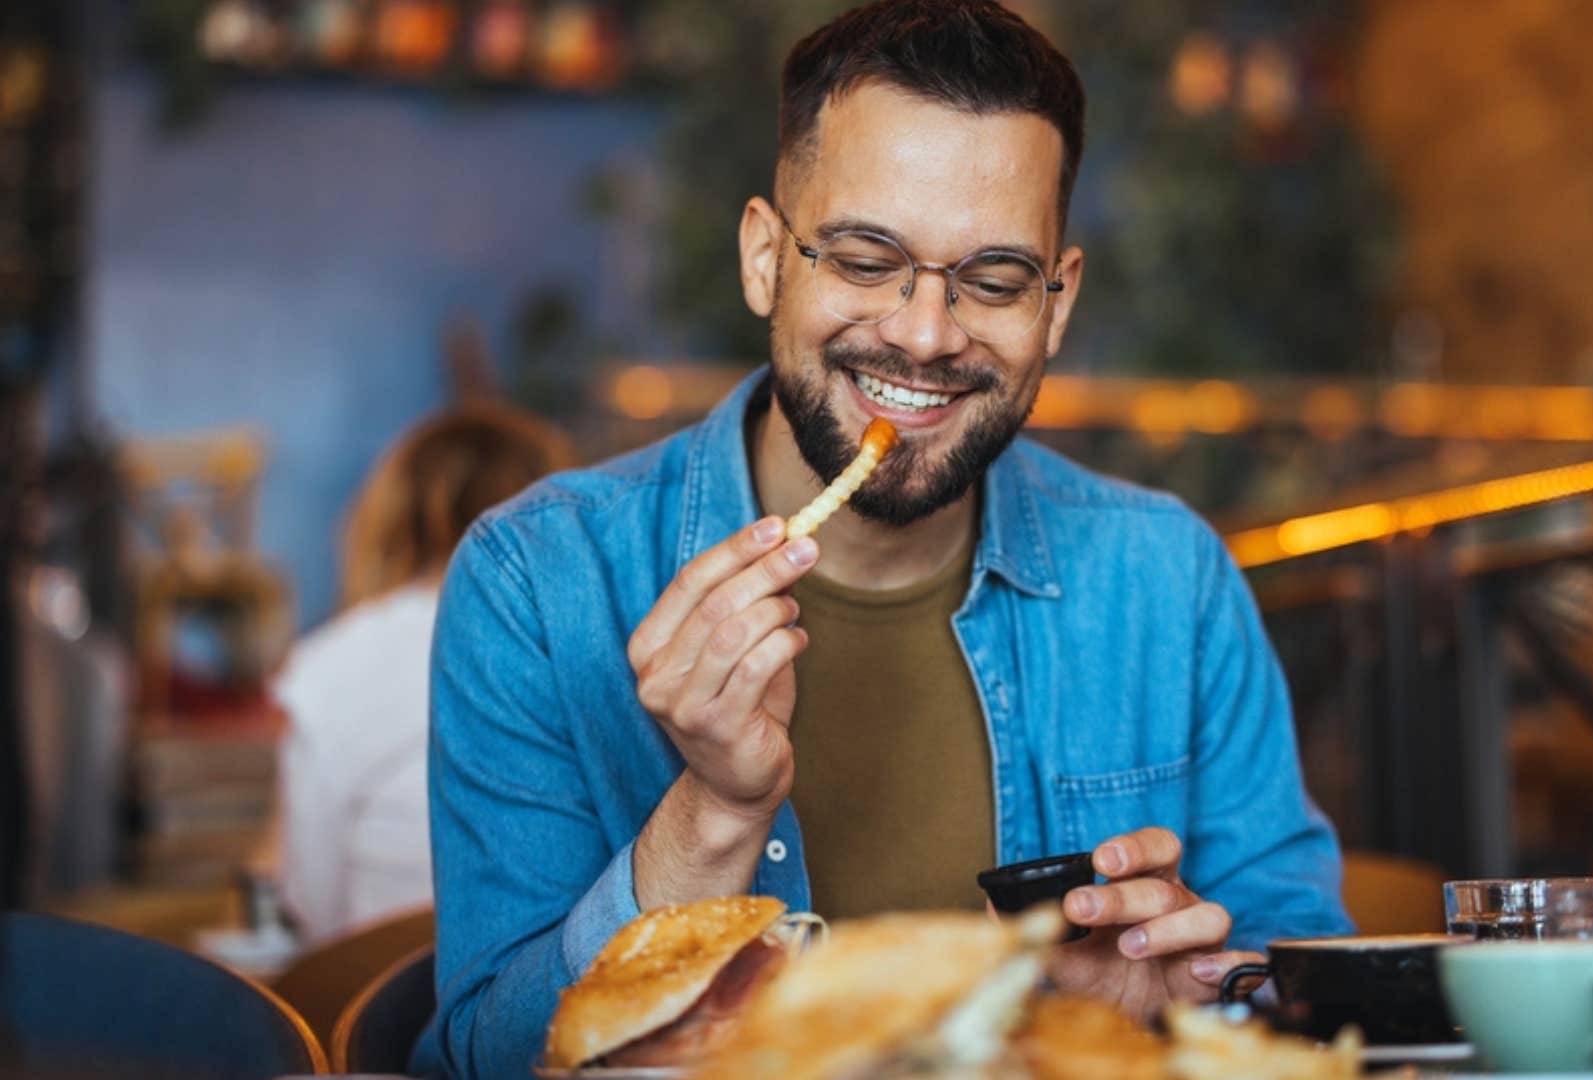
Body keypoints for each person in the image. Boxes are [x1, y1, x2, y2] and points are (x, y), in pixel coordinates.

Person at [419, 3, 1351, 1075]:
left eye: (995, 280)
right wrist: (714, 814)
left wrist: (1176, 1010)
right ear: (768, 259)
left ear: (1056, 304)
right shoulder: (537, 583)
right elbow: (480, 1057)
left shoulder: (1169, 581)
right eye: (867, 260)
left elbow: (1306, 990)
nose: (923, 332)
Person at [272, 405, 572, 944]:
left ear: (387, 516)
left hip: (379, 996)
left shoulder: (331, 665)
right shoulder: (594, 646)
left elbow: (313, 906)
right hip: (562, 985)